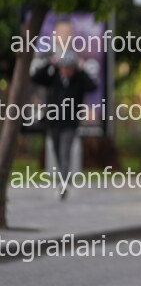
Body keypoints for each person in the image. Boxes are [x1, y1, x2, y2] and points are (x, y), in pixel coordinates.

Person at [31, 50, 96, 200]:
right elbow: (35, 77)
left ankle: (63, 184)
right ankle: (64, 177)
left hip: (70, 124)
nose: (66, 71)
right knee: (57, 151)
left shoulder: (78, 80)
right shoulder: (53, 78)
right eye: (64, 67)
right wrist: (49, 63)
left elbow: (92, 86)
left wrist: (82, 69)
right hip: (53, 122)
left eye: (69, 68)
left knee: (65, 151)